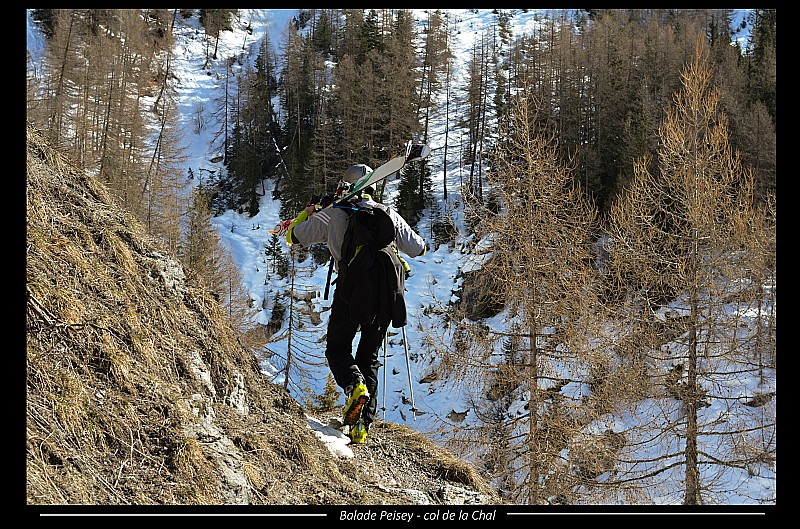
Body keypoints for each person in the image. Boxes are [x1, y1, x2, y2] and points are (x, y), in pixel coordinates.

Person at [284, 163, 426, 444]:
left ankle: (354, 386)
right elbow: (419, 247)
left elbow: (294, 236)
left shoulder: (333, 214)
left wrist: (308, 213)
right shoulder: (388, 213)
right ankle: (361, 429)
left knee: (337, 347)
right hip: (385, 294)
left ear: (343, 186)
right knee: (369, 356)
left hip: (351, 290)